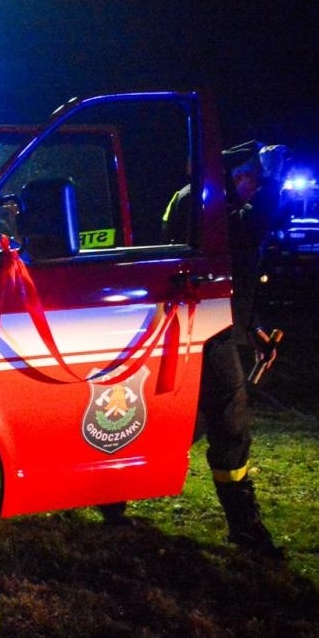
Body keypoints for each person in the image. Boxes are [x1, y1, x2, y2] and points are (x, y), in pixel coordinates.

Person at [104, 142, 283, 560]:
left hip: (216, 327)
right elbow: (247, 230)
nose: (251, 189)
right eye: (247, 179)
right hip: (201, 331)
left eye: (256, 181)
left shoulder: (210, 202)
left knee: (187, 424)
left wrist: (252, 328)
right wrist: (274, 182)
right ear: (226, 174)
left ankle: (112, 498)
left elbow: (235, 272)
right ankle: (245, 528)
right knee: (230, 423)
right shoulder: (201, 202)